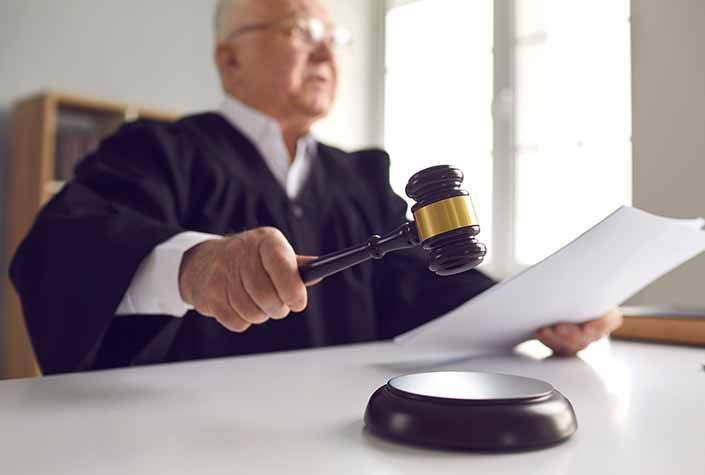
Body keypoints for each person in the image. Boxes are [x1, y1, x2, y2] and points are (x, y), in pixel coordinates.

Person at [9, 0, 622, 375]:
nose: (328, 52)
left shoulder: (360, 178)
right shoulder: (157, 151)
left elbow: (429, 287)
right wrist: (195, 267)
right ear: (230, 60)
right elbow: (60, 247)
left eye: (336, 37)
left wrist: (546, 309)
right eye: (302, 30)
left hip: (352, 441)